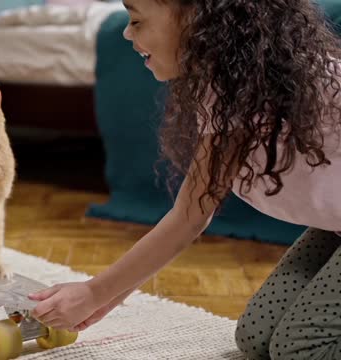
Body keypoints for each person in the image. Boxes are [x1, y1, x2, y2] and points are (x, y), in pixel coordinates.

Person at [29, 0, 341, 358]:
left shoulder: (252, 92)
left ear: (195, 17)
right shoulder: (228, 85)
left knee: (301, 349)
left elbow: (190, 217)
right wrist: (104, 300)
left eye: (137, 21)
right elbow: (190, 215)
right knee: (256, 338)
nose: (127, 33)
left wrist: (94, 293)